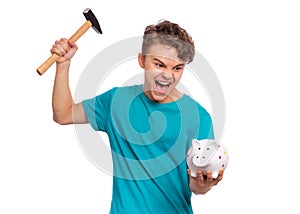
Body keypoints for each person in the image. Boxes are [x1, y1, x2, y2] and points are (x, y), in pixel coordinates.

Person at [51, 20, 224, 214]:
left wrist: (203, 183)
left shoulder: (198, 116)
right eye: (159, 64)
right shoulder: (115, 101)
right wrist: (63, 65)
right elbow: (63, 114)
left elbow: (196, 186)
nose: (168, 75)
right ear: (142, 60)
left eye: (177, 68)